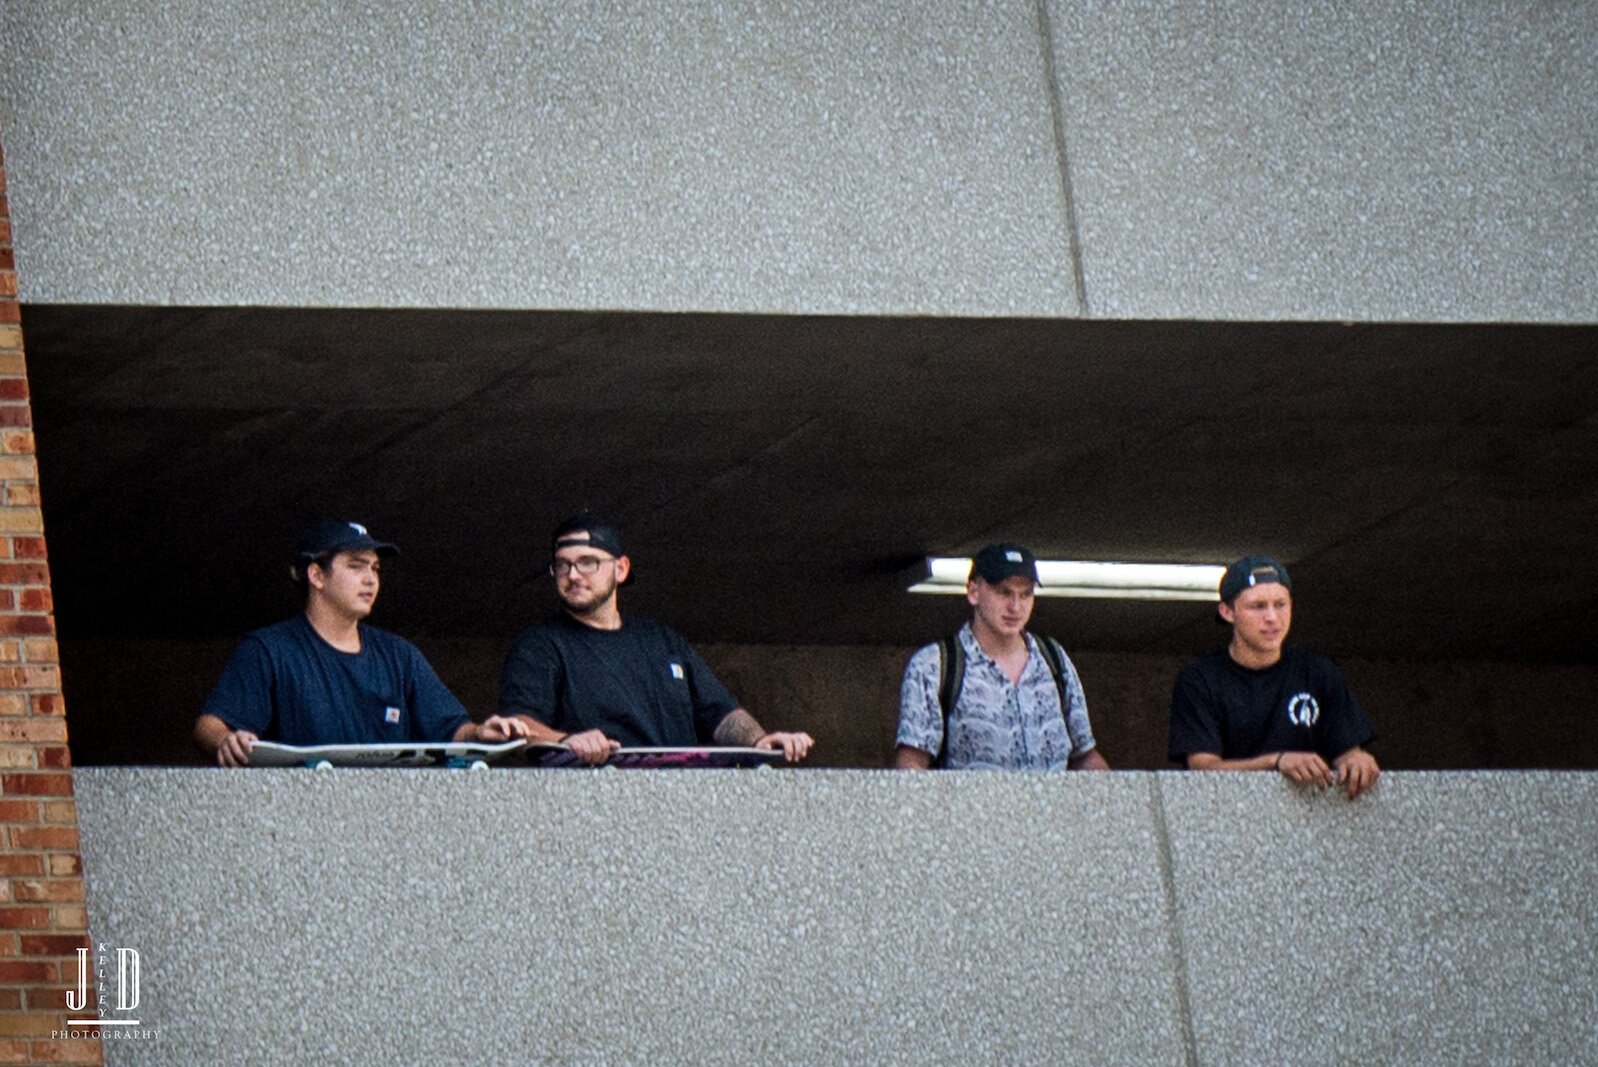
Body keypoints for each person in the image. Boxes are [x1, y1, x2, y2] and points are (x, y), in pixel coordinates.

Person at [194, 520, 528, 766]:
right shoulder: (269, 650)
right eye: (356, 566)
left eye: (375, 568)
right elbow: (209, 725)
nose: (370, 579)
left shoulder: (400, 656)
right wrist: (226, 739)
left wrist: (482, 734)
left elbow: (454, 731)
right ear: (317, 575)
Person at [497, 513, 814, 765]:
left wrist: (759, 743)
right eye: (562, 565)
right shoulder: (540, 645)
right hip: (591, 801)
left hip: (678, 800)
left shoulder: (662, 641)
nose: (574, 574)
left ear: (621, 569)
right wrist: (565, 741)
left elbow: (720, 713)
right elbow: (517, 727)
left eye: (587, 562)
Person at [1168, 555, 1380, 797]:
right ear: (1227, 612)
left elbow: (1347, 751)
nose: (1271, 617)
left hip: (1311, 815)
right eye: (1258, 606)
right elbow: (1203, 769)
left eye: (1280, 604)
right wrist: (1277, 762)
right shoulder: (1199, 680)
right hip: (1226, 816)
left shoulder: (1319, 673)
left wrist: (1358, 761)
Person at [894, 543, 1109, 771]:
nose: (1015, 606)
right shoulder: (934, 665)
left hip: (1053, 807)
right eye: (1004, 592)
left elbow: (1085, 755)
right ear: (974, 592)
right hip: (969, 806)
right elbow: (912, 761)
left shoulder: (1054, 659)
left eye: (1025, 594)